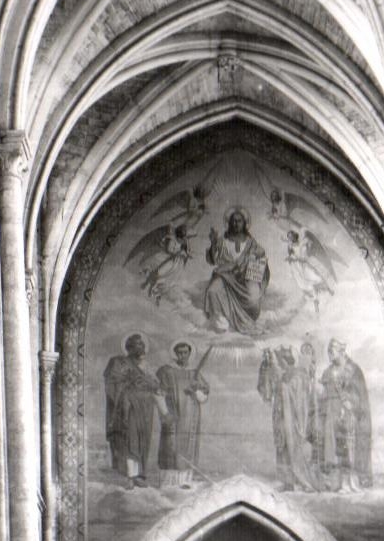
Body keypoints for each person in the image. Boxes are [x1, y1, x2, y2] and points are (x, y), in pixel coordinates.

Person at [103, 334, 167, 486]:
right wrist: (129, 388)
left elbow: (155, 384)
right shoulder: (120, 363)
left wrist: (157, 389)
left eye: (142, 345)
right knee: (131, 440)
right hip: (129, 407)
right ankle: (130, 477)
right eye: (137, 345)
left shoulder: (145, 366)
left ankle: (139, 475)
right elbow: (113, 383)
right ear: (129, 348)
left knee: (143, 441)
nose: (141, 348)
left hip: (146, 408)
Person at [257, 344, 320, 491]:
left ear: (285, 361)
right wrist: (266, 366)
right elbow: (269, 392)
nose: (279, 364)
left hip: (293, 420)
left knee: (294, 448)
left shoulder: (298, 376)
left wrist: (283, 388)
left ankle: (304, 482)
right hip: (282, 418)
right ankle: (287, 482)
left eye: (280, 362)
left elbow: (300, 399)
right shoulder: (284, 376)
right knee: (282, 447)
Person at [317, 337, 372, 490]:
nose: (329, 355)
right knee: (332, 449)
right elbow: (323, 394)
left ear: (341, 351)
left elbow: (359, 395)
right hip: (330, 413)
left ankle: (350, 483)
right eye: (328, 352)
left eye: (332, 351)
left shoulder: (353, 370)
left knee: (347, 447)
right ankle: (334, 483)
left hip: (347, 414)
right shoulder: (328, 372)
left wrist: (350, 403)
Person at [203, 207, 270, 333]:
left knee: (254, 297)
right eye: (233, 221)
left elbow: (261, 257)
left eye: (239, 221)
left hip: (245, 276)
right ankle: (221, 322)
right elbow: (212, 260)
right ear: (229, 223)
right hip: (225, 275)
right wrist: (213, 243)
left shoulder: (251, 242)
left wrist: (257, 259)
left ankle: (248, 318)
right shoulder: (223, 241)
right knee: (212, 290)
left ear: (245, 223)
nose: (236, 224)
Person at [156, 343, 210, 488]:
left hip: (191, 416)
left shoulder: (195, 373)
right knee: (170, 446)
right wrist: (165, 413)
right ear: (175, 354)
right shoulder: (166, 371)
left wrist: (195, 391)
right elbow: (158, 393)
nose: (182, 355)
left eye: (185, 352)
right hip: (173, 415)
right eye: (179, 353)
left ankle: (185, 481)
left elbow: (204, 396)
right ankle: (168, 483)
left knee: (188, 447)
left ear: (189, 354)